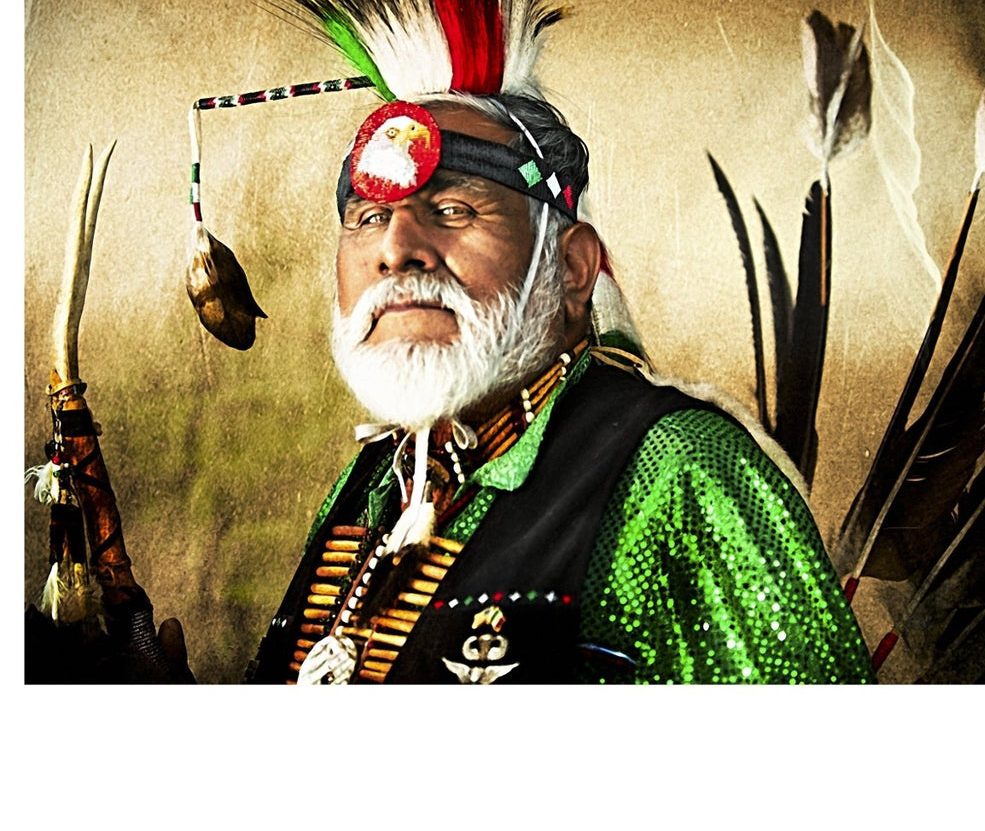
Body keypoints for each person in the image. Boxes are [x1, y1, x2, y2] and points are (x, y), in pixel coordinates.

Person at [238, 73, 874, 684]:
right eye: (370, 217)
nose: (395, 248)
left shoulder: (682, 469)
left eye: (454, 208)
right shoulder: (384, 477)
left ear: (570, 268)